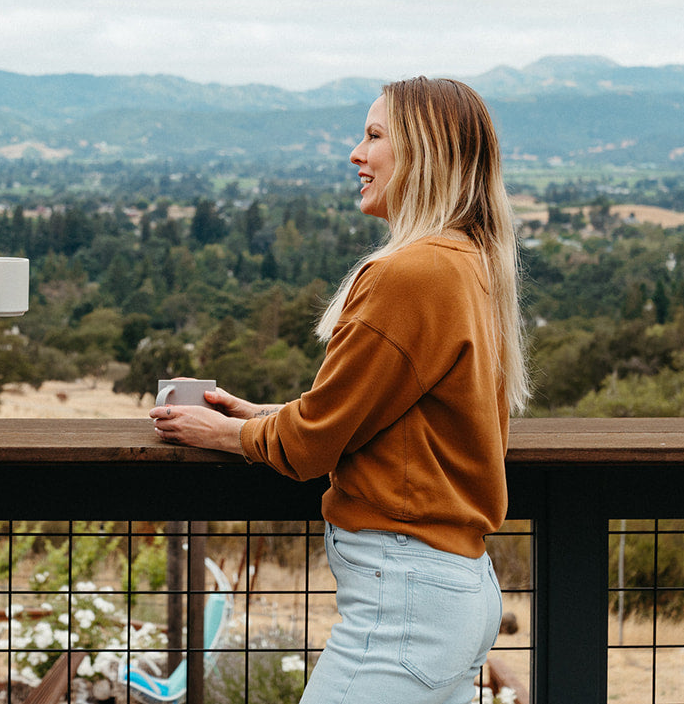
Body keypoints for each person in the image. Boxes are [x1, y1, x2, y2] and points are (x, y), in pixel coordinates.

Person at [152, 76, 529, 704]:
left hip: (406, 608)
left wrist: (229, 433)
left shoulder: (410, 272)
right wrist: (264, 415)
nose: (356, 153)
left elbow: (311, 447)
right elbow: (385, 416)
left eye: (374, 136)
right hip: (450, 591)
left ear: (423, 153)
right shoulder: (468, 260)